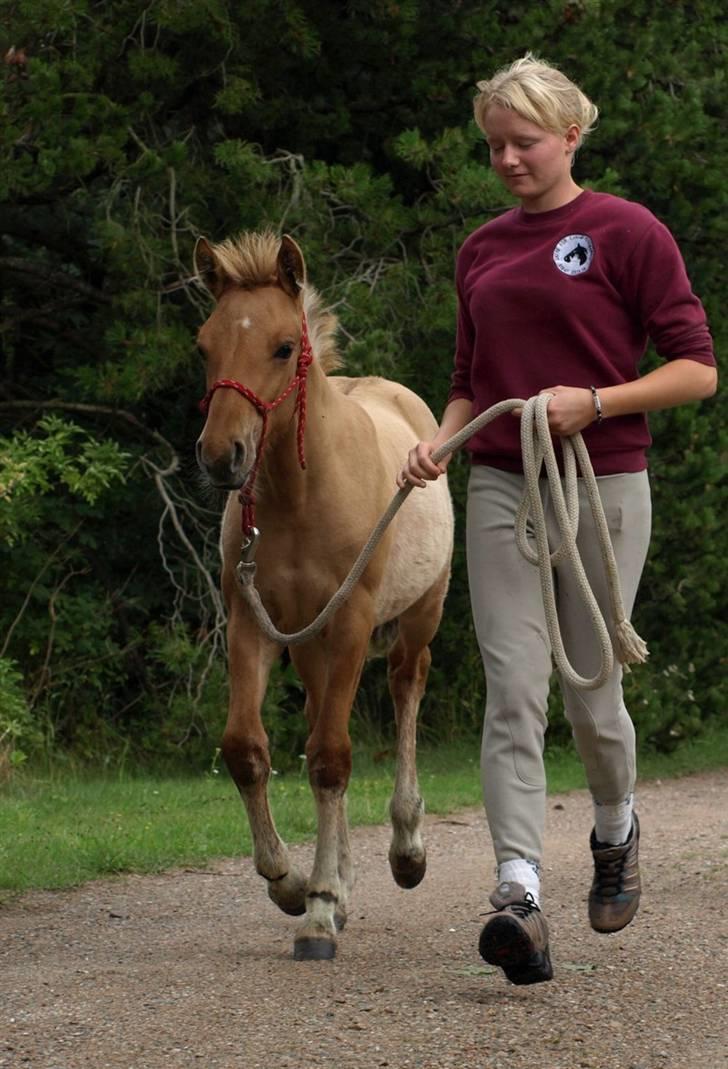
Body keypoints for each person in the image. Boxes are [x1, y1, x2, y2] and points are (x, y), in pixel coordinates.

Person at [397, 53, 717, 985]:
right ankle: (518, 893)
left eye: (523, 142)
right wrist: (440, 442)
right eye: (494, 144)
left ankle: (615, 828)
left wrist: (597, 400)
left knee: (591, 693)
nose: (506, 159)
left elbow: (697, 368)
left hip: (603, 481)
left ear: (570, 135)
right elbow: (467, 380)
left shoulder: (627, 231)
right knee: (512, 684)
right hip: (500, 480)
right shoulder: (481, 249)